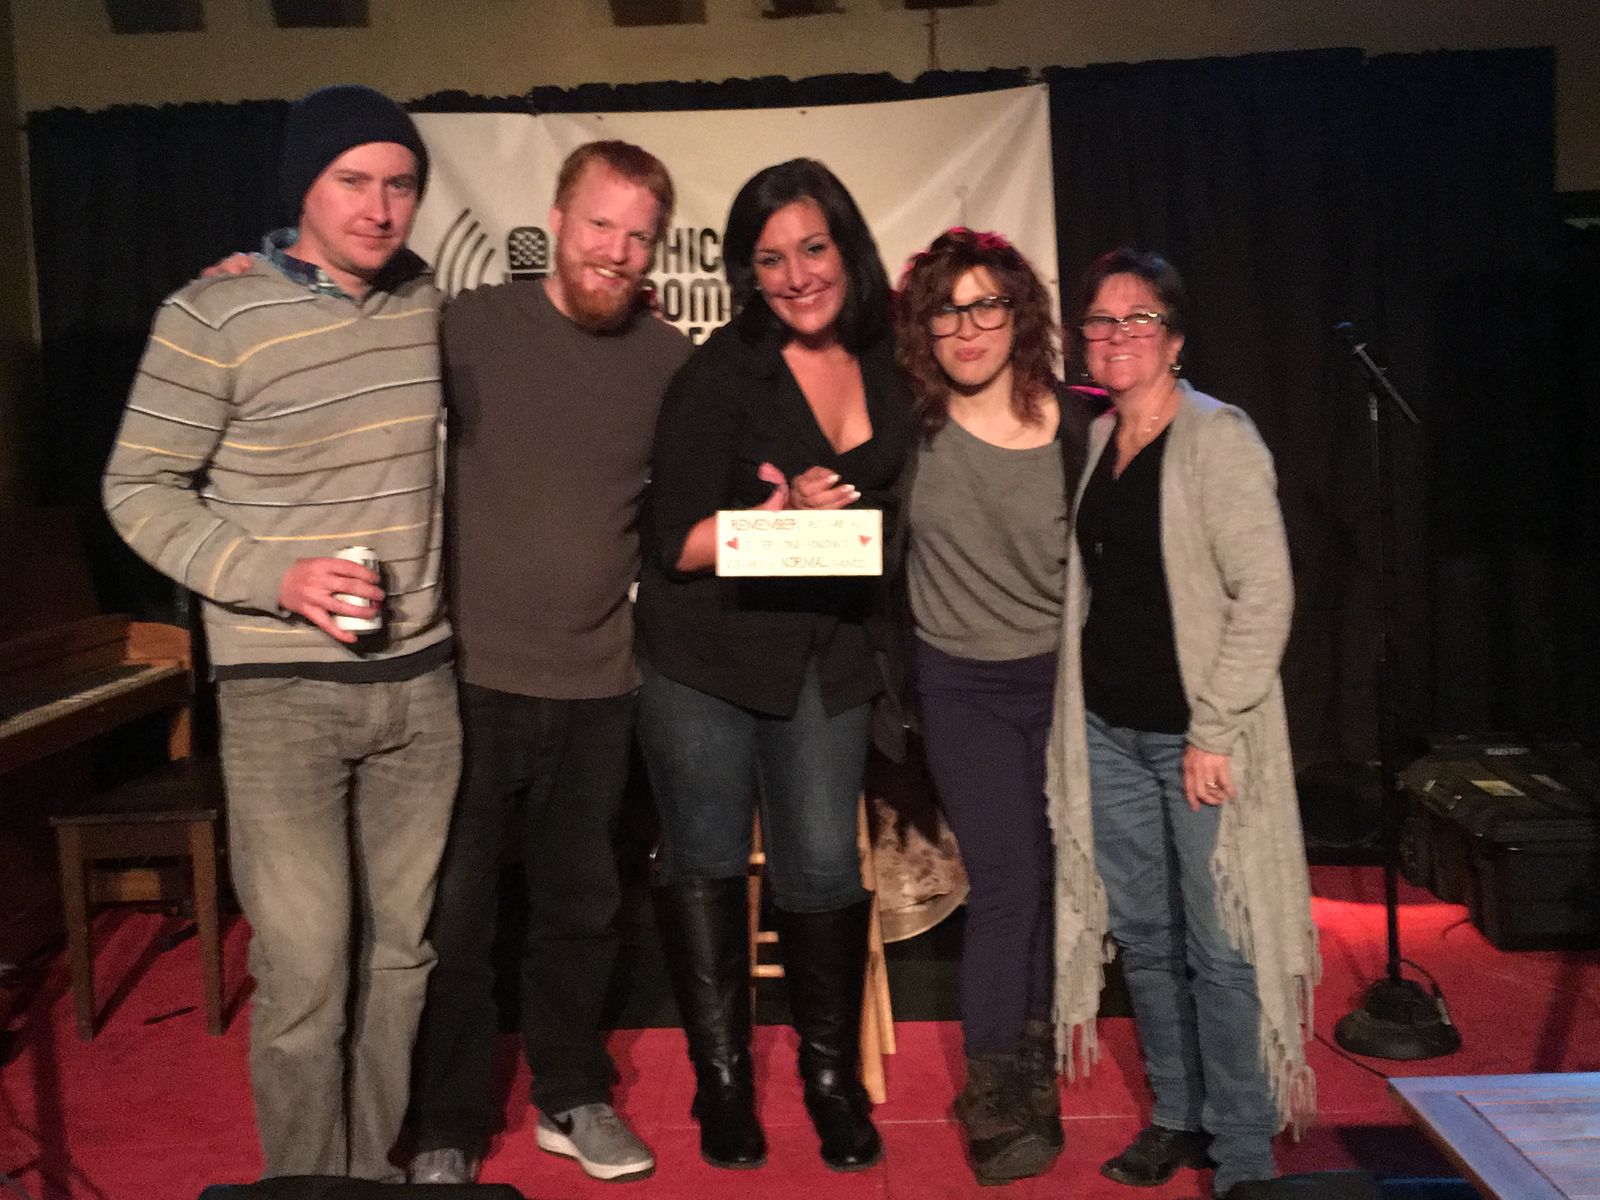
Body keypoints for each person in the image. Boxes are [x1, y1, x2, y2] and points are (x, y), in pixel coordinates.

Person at [102, 85, 460, 1181]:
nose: (379, 206)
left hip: (423, 687)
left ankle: (368, 1172)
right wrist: (274, 578)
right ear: (303, 185)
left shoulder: (425, 302)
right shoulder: (211, 314)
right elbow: (136, 487)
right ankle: (309, 1184)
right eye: (352, 180)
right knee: (306, 973)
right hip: (278, 695)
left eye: (399, 184)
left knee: (402, 957)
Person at [405, 141, 690, 1186]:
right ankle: (447, 1121)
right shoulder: (467, 324)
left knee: (581, 910)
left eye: (638, 236)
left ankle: (571, 1094)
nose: (616, 250)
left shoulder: (668, 360)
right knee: (458, 916)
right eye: (600, 224)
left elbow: (708, 482)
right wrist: (259, 264)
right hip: (469, 681)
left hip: (599, 686)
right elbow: (347, 336)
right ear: (557, 222)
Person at [635, 158, 914, 1173]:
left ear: (846, 247)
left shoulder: (889, 360)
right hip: (705, 653)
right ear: (746, 274)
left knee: (824, 867)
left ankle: (828, 1082)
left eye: (812, 248)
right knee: (706, 860)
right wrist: (781, 515)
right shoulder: (719, 376)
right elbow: (673, 545)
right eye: (769, 260)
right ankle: (721, 1084)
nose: (797, 276)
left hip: (825, 649)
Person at [1045, 249, 1318, 1199]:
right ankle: (1176, 1113)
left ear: (1175, 339)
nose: (1117, 335)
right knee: (1148, 941)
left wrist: (1214, 729)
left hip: (1197, 742)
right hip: (1107, 734)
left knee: (1221, 946)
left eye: (1139, 319)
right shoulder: (1097, 439)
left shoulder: (1217, 437)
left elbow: (1265, 594)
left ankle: (1241, 1149)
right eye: (1101, 320)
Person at [889, 228, 1096, 1184]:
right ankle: (994, 1080)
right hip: (961, 684)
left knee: (1057, 876)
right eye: (947, 309)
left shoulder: (1081, 428)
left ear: (1021, 315)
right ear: (922, 327)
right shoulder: (909, 433)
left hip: (1062, 682)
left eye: (986, 305)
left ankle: (1034, 1054)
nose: (968, 327)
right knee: (1009, 878)